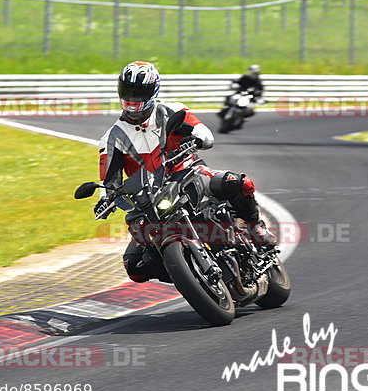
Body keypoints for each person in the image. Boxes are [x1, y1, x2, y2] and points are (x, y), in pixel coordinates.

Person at [94, 61, 275, 283]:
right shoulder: (112, 137)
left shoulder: (172, 110)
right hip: (150, 201)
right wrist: (105, 199)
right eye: (128, 90)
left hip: (190, 173)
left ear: (153, 91)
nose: (134, 97)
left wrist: (198, 137)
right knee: (135, 267)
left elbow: (203, 132)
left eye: (140, 92)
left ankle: (256, 229)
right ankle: (189, 272)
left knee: (238, 182)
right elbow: (108, 180)